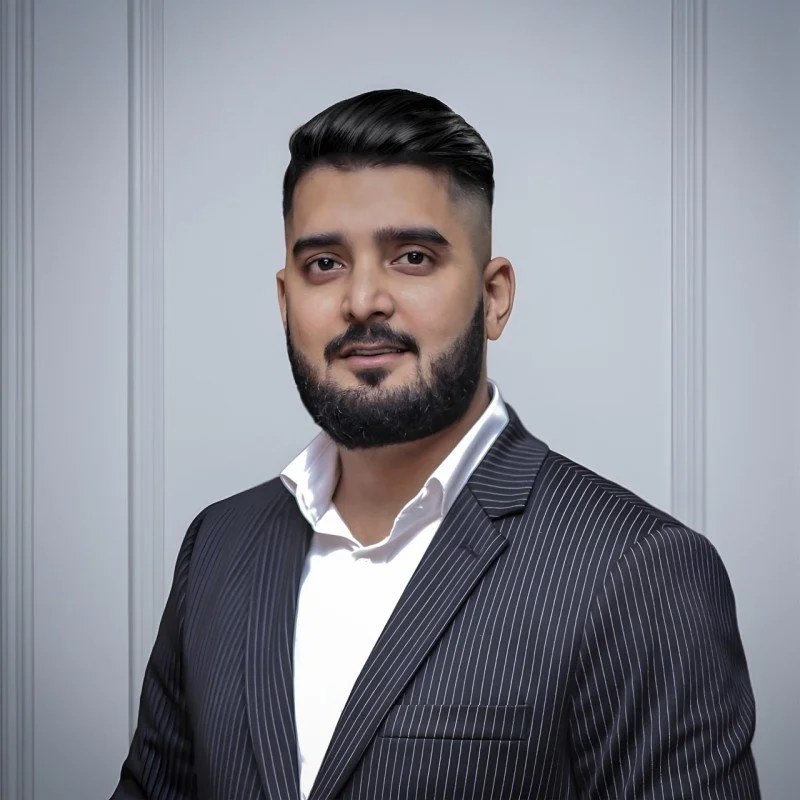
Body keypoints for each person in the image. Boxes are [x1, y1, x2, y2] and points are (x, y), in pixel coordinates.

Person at [111, 88, 760, 800]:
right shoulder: (218, 548)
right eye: (324, 264)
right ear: (284, 299)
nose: (362, 300)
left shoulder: (638, 572)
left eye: (412, 257)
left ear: (496, 295)